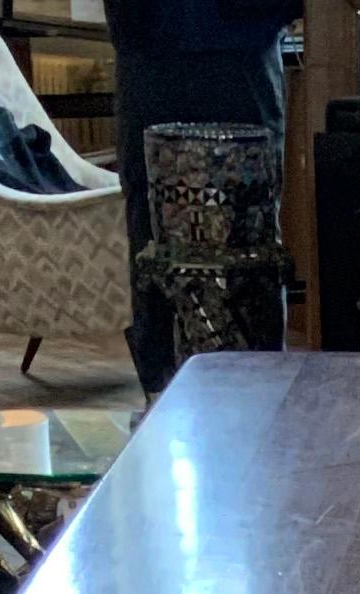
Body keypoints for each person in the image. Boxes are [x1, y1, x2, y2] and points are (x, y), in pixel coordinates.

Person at [105, 0, 291, 393]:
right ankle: (158, 389)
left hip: (243, 49)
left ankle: (259, 390)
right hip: (150, 50)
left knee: (250, 231)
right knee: (153, 234)